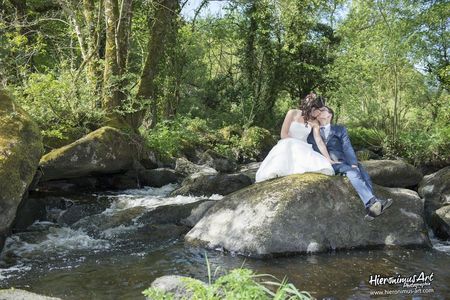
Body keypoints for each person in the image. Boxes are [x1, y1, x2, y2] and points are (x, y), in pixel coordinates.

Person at [307, 106, 393, 221]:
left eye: (323, 110)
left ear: (329, 115)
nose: (319, 111)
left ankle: (371, 207)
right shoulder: (311, 130)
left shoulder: (340, 129)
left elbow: (347, 147)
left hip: (342, 160)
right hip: (325, 162)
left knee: (361, 170)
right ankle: (373, 202)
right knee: (353, 171)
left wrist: (353, 162)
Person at [255, 93, 336, 183]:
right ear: (312, 107)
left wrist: (328, 159)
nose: (320, 113)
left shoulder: (314, 122)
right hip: (287, 145)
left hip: (304, 149)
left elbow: (319, 141)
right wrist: (295, 144)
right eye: (319, 110)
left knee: (322, 167)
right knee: (283, 153)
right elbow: (283, 134)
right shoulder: (292, 113)